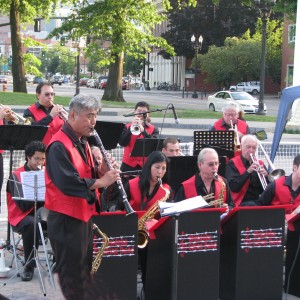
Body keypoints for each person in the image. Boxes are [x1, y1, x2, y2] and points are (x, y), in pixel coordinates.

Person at [45, 94, 120, 300]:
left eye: (95, 116)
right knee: (72, 278)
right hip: (66, 221)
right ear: (72, 115)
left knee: (83, 274)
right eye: (89, 116)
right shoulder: (58, 145)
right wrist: (102, 182)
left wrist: (103, 170)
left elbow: (86, 173)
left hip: (83, 217)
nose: (93, 122)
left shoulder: (82, 141)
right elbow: (68, 182)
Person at [125, 150, 171, 297]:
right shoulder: (131, 184)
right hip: (130, 231)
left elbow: (167, 214)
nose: (160, 171)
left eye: (163, 168)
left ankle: (148, 292)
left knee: (151, 265)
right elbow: (120, 209)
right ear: (149, 166)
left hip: (151, 235)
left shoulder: (166, 191)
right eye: (157, 167)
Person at [6, 140, 46, 281]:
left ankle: (59, 260)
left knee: (61, 218)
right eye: (36, 158)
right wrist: (41, 195)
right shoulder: (15, 176)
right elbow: (22, 206)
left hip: (40, 214)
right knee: (32, 223)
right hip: (20, 217)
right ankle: (29, 265)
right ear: (28, 157)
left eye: (42, 158)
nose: (40, 162)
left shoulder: (45, 174)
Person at [225, 134, 269, 206]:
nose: (251, 150)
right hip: (240, 201)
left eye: (254, 148)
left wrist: (267, 176)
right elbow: (233, 187)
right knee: (253, 205)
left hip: (258, 200)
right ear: (241, 146)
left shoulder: (260, 163)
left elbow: (266, 188)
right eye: (248, 147)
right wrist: (248, 172)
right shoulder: (232, 163)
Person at [119, 101, 159, 173]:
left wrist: (143, 131)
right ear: (135, 112)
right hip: (128, 165)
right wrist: (131, 128)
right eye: (139, 111)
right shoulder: (126, 127)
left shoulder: (154, 129)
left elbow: (153, 145)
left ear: (148, 114)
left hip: (145, 165)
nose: (141, 114)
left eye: (144, 112)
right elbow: (122, 143)